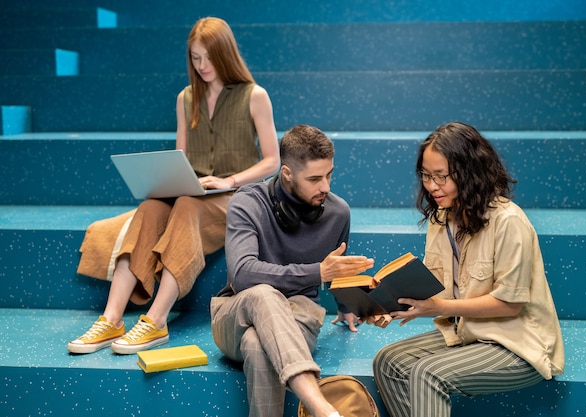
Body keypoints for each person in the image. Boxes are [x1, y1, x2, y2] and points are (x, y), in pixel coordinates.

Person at [68, 17, 280, 355]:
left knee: (186, 207)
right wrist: (166, 180)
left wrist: (229, 180)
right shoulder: (186, 98)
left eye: (209, 57)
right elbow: (179, 156)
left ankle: (156, 320)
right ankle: (112, 319)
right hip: (194, 189)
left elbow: (273, 161)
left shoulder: (254, 96)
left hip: (235, 194)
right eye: (195, 58)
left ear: (225, 54)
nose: (202, 65)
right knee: (150, 208)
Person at [369, 122, 565, 417]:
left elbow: (510, 305)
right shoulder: (440, 219)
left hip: (517, 344)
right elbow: (433, 286)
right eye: (426, 176)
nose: (432, 186)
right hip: (467, 331)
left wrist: (439, 306)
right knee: (387, 361)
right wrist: (387, 302)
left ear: (470, 173)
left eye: (441, 177)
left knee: (428, 373)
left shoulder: (509, 221)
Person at [210, 124, 374, 417]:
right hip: (235, 315)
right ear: (286, 173)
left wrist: (346, 304)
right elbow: (243, 274)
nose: (325, 186)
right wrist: (318, 273)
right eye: (314, 178)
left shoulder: (339, 213)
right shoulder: (247, 203)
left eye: (329, 175)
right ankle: (321, 407)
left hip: (297, 317)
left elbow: (336, 269)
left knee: (257, 346)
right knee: (262, 293)